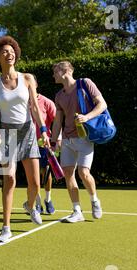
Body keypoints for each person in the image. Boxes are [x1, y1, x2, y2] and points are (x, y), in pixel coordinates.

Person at [0, 36, 50, 242]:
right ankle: (5, 227)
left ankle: (30, 206)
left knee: (35, 183)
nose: (10, 53)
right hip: (6, 136)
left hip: (28, 132)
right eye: (5, 51)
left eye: (12, 50)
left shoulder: (27, 78)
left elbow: (34, 107)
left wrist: (43, 131)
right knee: (9, 178)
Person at [50, 61, 105, 223]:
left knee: (84, 173)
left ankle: (94, 200)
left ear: (65, 71)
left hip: (85, 137)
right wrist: (53, 142)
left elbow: (102, 104)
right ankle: (76, 211)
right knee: (68, 174)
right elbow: (58, 121)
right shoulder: (59, 96)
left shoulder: (85, 83)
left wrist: (87, 117)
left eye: (55, 72)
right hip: (67, 140)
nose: (53, 75)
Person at [32, 88, 60, 215]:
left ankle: (48, 200)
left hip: (44, 143)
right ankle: (37, 203)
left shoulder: (47, 102)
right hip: (27, 144)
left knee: (47, 172)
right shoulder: (21, 102)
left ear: (35, 85)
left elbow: (57, 121)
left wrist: (58, 139)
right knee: (33, 175)